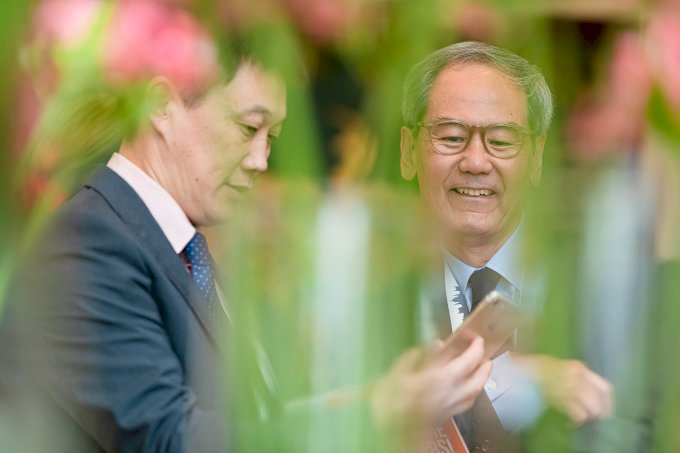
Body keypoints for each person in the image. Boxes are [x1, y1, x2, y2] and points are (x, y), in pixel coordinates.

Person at [0, 6, 287, 452]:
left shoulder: (193, 260)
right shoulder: (85, 245)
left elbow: (258, 416)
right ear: (161, 106)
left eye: (273, 137)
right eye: (248, 127)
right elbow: (169, 439)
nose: (260, 160)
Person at [382, 41, 613, 450]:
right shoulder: (367, 289)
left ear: (537, 157)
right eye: (451, 137)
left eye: (502, 142)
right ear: (407, 151)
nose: (475, 162)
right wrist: (517, 379)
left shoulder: (603, 282)